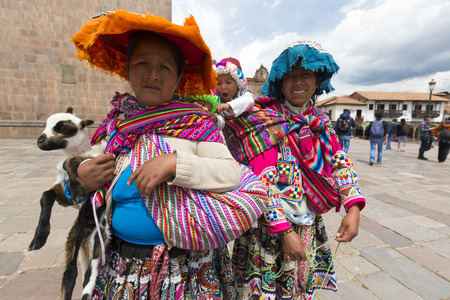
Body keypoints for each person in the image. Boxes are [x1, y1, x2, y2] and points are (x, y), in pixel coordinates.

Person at [70, 10, 263, 299]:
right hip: (121, 266)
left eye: (164, 67)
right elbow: (97, 201)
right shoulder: (116, 127)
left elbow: (230, 173)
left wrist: (175, 162)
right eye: (142, 64)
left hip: (185, 268)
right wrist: (82, 182)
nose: (152, 74)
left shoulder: (196, 124)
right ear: (127, 69)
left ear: (178, 78)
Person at [223, 41, 366, 299]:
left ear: (317, 79)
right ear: (280, 81)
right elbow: (261, 180)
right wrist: (285, 232)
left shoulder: (320, 123)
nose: (298, 82)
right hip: (266, 227)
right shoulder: (264, 120)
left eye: (306, 75)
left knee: (296, 290)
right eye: (290, 77)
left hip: (306, 223)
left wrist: (353, 207)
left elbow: (339, 161)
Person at [213, 58, 255, 130]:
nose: (223, 87)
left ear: (238, 84)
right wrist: (216, 120)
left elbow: (249, 100)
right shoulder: (218, 102)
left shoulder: (242, 93)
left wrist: (228, 105)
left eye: (228, 83)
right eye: (219, 83)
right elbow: (221, 122)